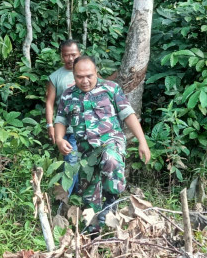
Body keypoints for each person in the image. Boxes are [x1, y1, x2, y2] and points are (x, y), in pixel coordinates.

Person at [53, 56, 151, 232]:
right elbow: (60, 120)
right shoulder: (68, 95)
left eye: (89, 76)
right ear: (73, 76)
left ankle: (111, 201)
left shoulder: (110, 89)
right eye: (79, 77)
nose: (85, 81)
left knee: (110, 159)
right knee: (90, 203)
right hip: (86, 154)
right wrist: (60, 139)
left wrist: (142, 142)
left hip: (110, 142)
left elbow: (128, 115)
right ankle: (95, 236)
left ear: (96, 72)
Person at [45, 40, 81, 194]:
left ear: (79, 54)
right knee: (71, 161)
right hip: (63, 127)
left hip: (84, 127)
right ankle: (64, 199)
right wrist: (50, 125)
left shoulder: (85, 72)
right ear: (61, 56)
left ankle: (73, 197)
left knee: (75, 162)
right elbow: (49, 103)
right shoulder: (55, 77)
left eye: (73, 54)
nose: (70, 58)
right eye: (66, 55)